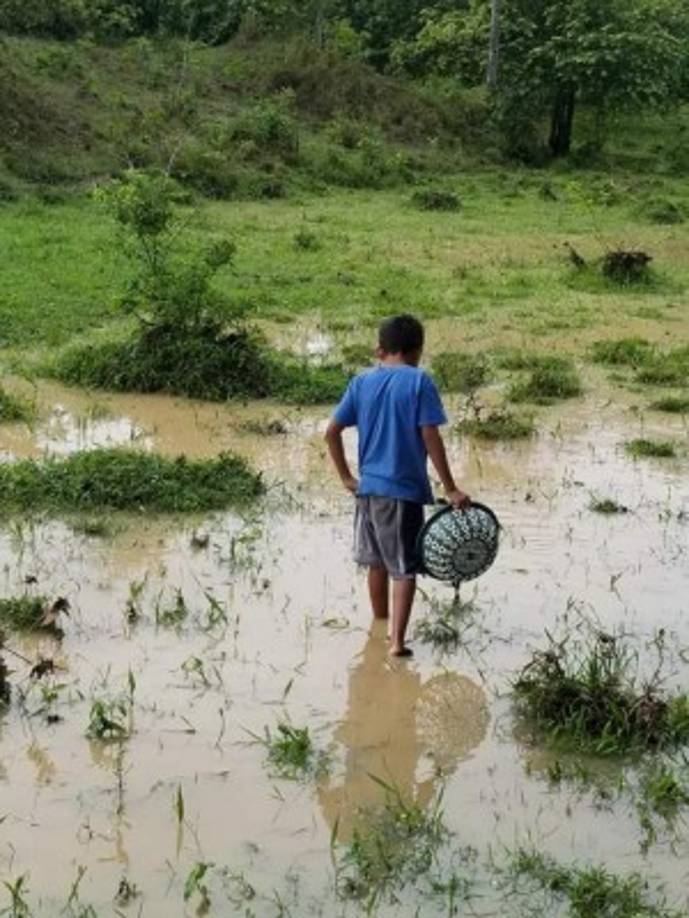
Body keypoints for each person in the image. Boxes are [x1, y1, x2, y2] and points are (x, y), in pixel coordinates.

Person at [325, 314, 470, 657]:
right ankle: (396, 643)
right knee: (404, 569)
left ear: (380, 350)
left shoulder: (361, 383)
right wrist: (450, 487)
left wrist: (347, 477)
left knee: (376, 562)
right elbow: (430, 435)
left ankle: (379, 624)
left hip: (368, 491)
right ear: (417, 350)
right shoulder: (419, 382)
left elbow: (331, 432)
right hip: (402, 493)